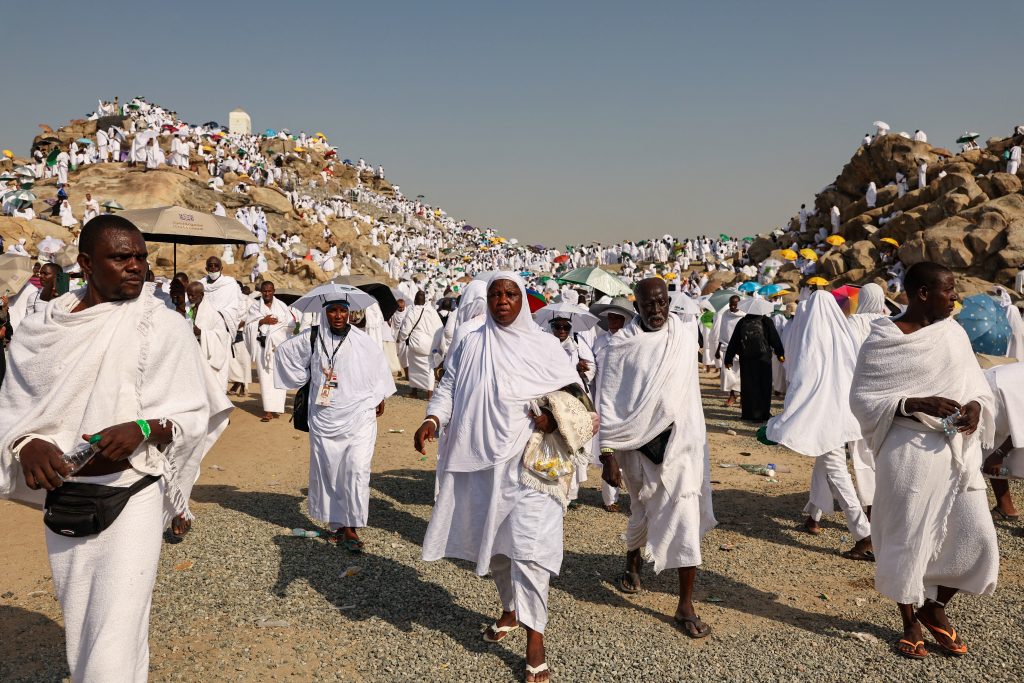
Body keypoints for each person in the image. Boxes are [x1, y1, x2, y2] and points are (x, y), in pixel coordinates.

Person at [0, 215, 230, 682]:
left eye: (141, 257)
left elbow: (192, 414)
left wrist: (144, 427)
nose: (135, 266)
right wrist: (25, 444)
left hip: (132, 493)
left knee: (114, 632)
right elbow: (15, 411)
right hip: (67, 498)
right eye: (121, 257)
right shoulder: (42, 328)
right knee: (83, 620)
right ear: (86, 263)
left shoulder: (161, 325)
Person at [416, 273, 588, 683]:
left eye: (510, 294)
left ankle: (535, 639)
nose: (503, 300)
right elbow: (451, 386)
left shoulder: (544, 346)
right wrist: (433, 418)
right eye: (496, 294)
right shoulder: (471, 340)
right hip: (482, 463)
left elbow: (577, 394)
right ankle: (510, 608)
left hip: (531, 463)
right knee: (493, 545)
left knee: (530, 549)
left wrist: (551, 418)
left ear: (522, 301)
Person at [850, 262, 998, 660]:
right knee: (907, 535)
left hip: (955, 451)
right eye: (949, 291)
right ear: (921, 294)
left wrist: (975, 408)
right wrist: (913, 402)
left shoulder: (954, 334)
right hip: (907, 450)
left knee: (978, 536)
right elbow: (862, 399)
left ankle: (935, 606)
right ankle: (909, 620)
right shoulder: (883, 338)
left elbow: (978, 388)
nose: (955, 298)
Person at [597, 277, 715, 638]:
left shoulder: (681, 333)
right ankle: (633, 564)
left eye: (662, 302)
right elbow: (609, 399)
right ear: (637, 306)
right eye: (649, 305)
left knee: (684, 511)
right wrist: (607, 454)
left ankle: (685, 605)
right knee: (641, 508)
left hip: (680, 445)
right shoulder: (621, 346)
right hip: (636, 447)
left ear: (670, 301)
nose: (657, 311)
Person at [275, 300, 395, 551]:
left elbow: (378, 368)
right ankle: (338, 523)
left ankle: (352, 526)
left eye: (343, 310)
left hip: (360, 414)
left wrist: (379, 394)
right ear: (324, 312)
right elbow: (284, 353)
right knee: (330, 471)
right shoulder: (313, 337)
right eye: (332, 310)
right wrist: (305, 376)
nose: (338, 315)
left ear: (350, 312)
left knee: (356, 469)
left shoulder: (362, 340)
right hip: (324, 417)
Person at [766, 292, 872, 558]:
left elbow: (803, 381)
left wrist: (783, 421)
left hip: (824, 418)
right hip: (843, 413)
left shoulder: (812, 340)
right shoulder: (843, 336)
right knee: (824, 464)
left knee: (836, 469)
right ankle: (814, 515)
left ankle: (864, 533)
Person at [845, 283, 890, 511]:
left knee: (861, 452)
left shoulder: (852, 323)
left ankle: (872, 505)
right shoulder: (890, 322)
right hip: (887, 397)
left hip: (859, 395)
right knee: (882, 450)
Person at [723, 302, 784, 421]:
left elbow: (734, 341)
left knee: (748, 385)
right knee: (764, 386)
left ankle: (747, 414)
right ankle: (763, 414)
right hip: (763, 359)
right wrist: (780, 353)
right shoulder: (766, 321)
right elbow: (774, 339)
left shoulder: (742, 322)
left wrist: (728, 359)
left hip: (746, 359)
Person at [245, 281, 294, 421]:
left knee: (278, 377)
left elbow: (291, 325)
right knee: (265, 378)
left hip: (278, 348)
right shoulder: (255, 307)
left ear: (274, 291)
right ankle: (268, 410)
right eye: (264, 291)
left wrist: (276, 329)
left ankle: (277, 407)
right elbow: (248, 325)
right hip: (263, 347)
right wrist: (262, 321)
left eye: (269, 291)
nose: (267, 294)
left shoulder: (282, 306)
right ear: (261, 292)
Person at [983, 361, 1024, 521]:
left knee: (993, 451)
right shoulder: (985, 383)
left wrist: (999, 454)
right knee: (988, 446)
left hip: (1000, 392)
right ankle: (1006, 508)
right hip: (998, 389)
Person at [397, 290, 443, 399]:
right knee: (429, 370)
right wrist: (438, 345)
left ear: (415, 300)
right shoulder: (432, 311)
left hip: (416, 345)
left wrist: (400, 338)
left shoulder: (412, 311)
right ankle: (430, 394)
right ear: (425, 300)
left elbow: (405, 330)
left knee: (414, 368)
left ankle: (414, 392)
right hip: (430, 346)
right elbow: (440, 329)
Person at [186, 281, 232, 387]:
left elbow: (222, 335)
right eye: (188, 294)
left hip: (205, 353)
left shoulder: (212, 314)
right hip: (190, 352)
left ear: (201, 295)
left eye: (193, 295)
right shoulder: (187, 309)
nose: (190, 297)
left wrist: (202, 333)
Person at [709, 295, 743, 406]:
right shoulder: (725, 315)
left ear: (739, 304)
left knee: (740, 374)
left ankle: (743, 396)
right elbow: (722, 333)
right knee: (728, 374)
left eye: (735, 304)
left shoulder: (744, 316)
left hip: (740, 350)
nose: (732, 306)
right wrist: (718, 349)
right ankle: (732, 395)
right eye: (730, 304)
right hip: (726, 348)